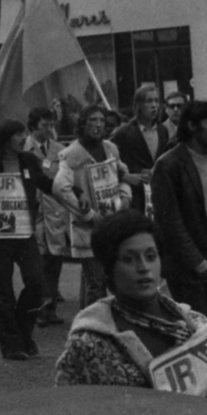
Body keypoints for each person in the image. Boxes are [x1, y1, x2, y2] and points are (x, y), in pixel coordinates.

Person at [54, 211, 207, 403]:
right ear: (108, 270)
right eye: (129, 259)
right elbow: (70, 414)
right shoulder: (89, 344)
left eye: (151, 256)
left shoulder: (195, 326)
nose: (143, 267)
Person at [0, 120, 79, 361]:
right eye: (18, 134)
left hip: (25, 232)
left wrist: (75, 194)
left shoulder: (28, 161)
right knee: (3, 291)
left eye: (24, 134)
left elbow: (45, 184)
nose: (23, 138)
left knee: (36, 282)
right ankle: (11, 344)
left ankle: (23, 331)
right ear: (5, 137)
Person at [151, 100, 207, 335]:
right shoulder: (169, 164)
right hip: (190, 267)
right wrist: (196, 260)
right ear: (192, 126)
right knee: (198, 336)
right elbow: (169, 221)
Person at [53, 105, 132, 308]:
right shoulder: (72, 153)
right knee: (96, 283)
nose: (98, 125)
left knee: (108, 279)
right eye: (93, 120)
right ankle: (92, 329)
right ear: (83, 124)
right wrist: (88, 214)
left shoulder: (110, 149)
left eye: (101, 121)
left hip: (113, 223)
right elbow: (61, 188)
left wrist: (125, 199)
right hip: (90, 230)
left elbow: (122, 174)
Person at [25, 108, 70, 326]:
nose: (49, 128)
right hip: (32, 212)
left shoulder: (60, 151)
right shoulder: (23, 149)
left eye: (51, 124)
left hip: (54, 212)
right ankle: (39, 308)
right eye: (44, 124)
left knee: (55, 260)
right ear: (34, 126)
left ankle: (51, 306)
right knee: (38, 261)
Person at [111, 84, 170, 212]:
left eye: (156, 100)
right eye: (149, 101)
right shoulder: (124, 132)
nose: (154, 105)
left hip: (157, 193)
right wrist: (126, 176)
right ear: (138, 105)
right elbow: (108, 160)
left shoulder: (162, 130)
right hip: (135, 194)